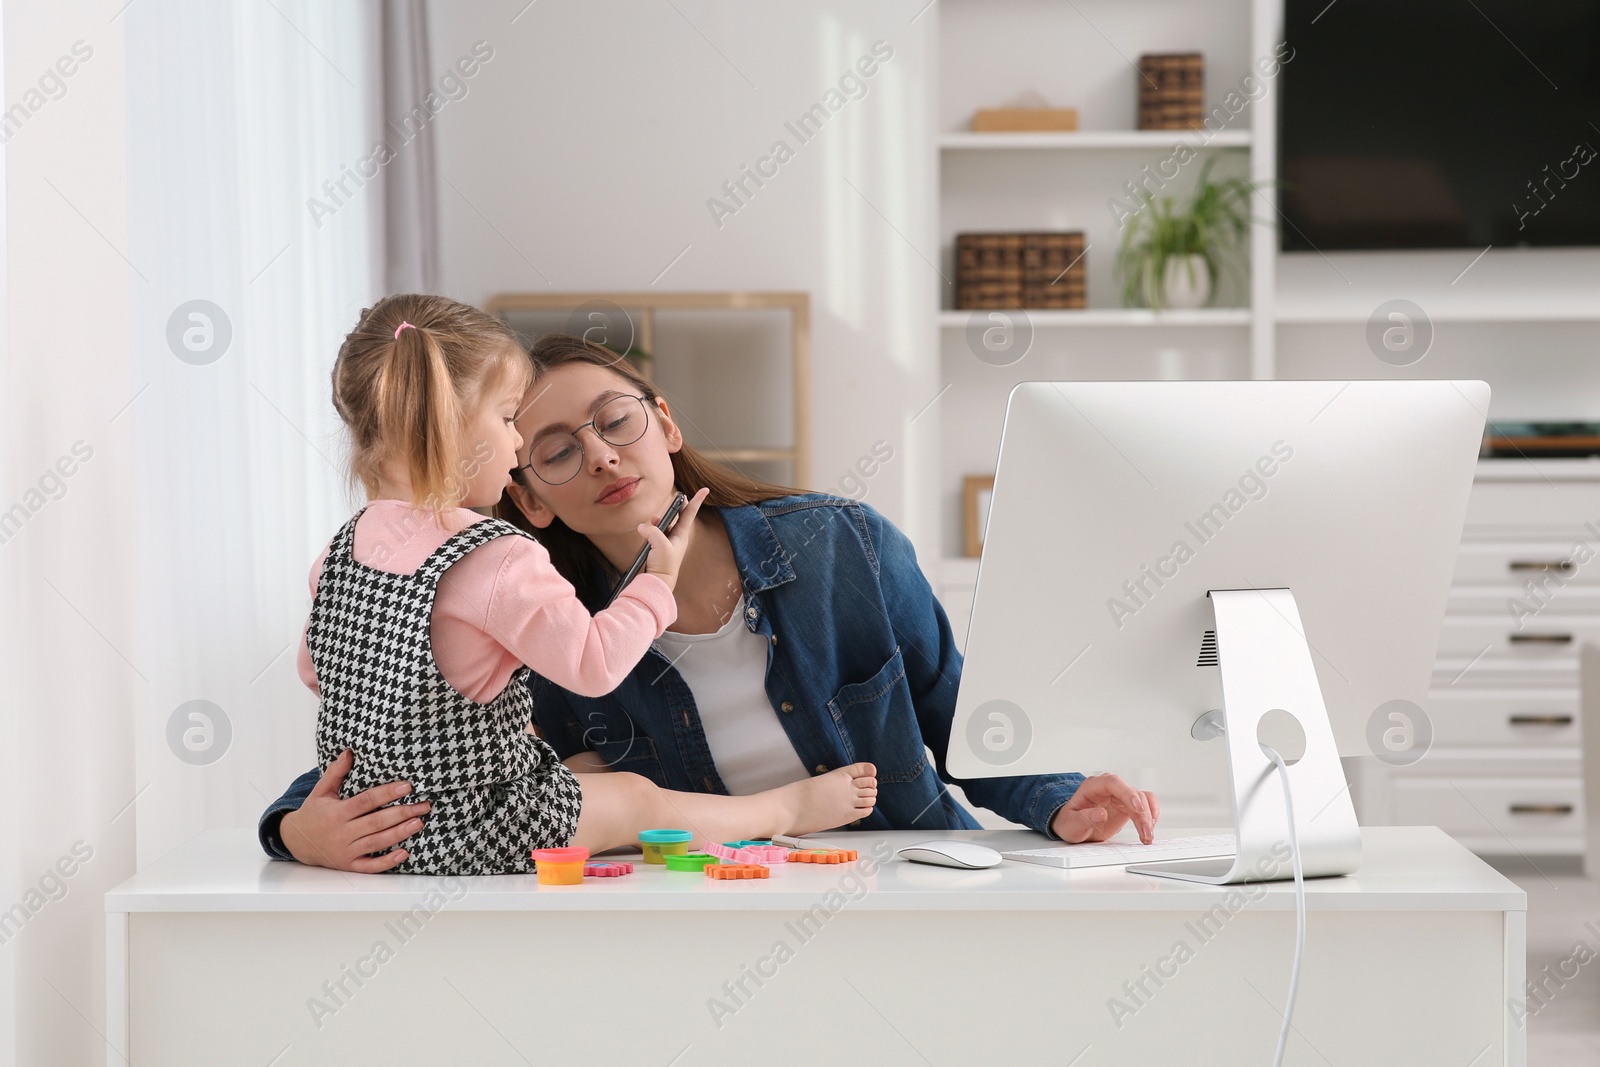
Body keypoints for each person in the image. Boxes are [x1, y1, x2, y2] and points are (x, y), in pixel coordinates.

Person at [261, 331, 1158, 873]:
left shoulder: (841, 544)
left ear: (666, 423)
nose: (604, 457)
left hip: (901, 880)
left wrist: (1055, 796)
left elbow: (953, 710)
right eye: (557, 450)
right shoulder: (535, 620)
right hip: (708, 920)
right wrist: (299, 828)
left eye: (616, 421)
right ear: (525, 495)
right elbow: (396, 736)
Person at [294, 297, 876, 875]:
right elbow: (593, 664)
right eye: (506, 420)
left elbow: (320, 674)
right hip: (477, 825)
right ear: (447, 429)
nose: (516, 444)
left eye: (617, 422)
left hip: (381, 835)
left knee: (585, 774)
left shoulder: (337, 554)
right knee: (634, 798)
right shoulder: (497, 554)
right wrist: (657, 583)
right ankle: (783, 808)